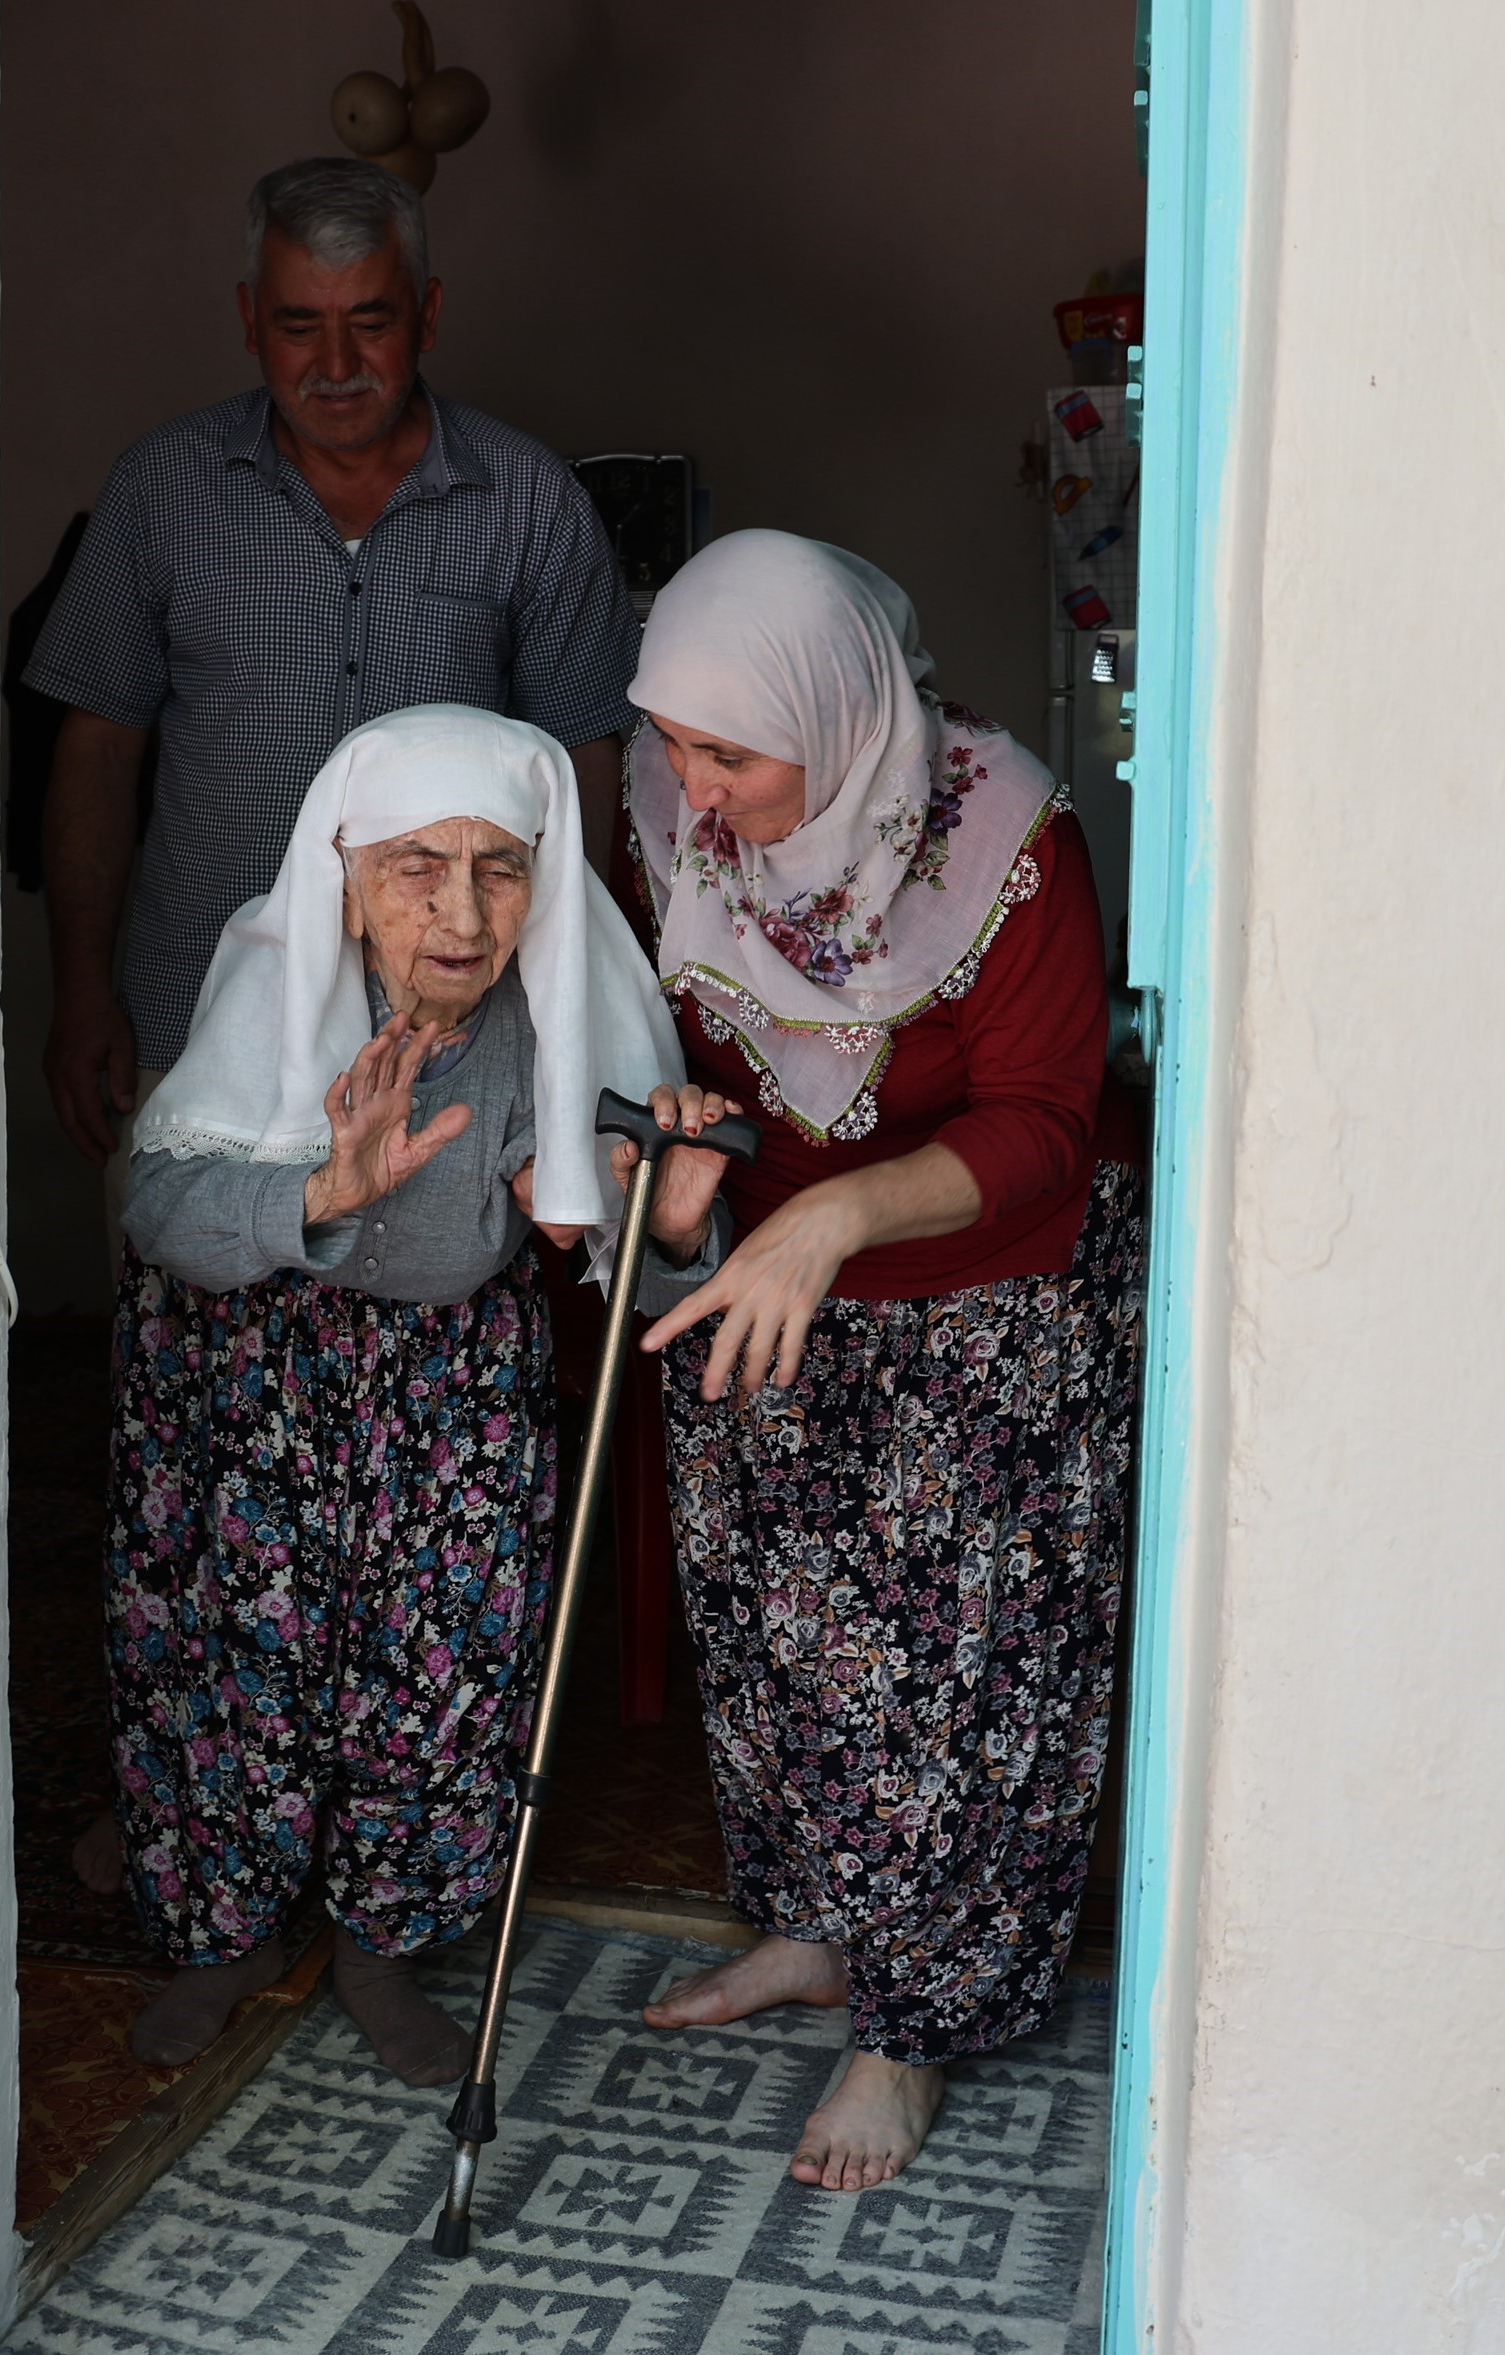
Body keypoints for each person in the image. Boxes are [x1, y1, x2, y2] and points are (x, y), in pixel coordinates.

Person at [23, 155, 638, 1897]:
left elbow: (586, 792)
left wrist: (602, 1048)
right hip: (208, 1034)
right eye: (299, 324)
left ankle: (392, 1867)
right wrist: (79, 984)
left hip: (457, 1073)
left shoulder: (526, 504)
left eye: (372, 321)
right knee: (210, 1490)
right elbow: (97, 750)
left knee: (430, 1495)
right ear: (250, 322)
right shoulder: (163, 495)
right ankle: (200, 1827)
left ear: (428, 315)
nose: (337, 358)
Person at [611, 531, 1146, 2193]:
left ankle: (908, 2034)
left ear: (837, 719)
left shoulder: (999, 833)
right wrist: (674, 1150)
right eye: (676, 743)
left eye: (730, 753)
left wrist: (834, 1214)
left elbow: (1049, 1125)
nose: (693, 790)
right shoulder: (667, 808)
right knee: (774, 1640)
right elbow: (668, 1041)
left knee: (949, 1682)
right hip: (775, 1283)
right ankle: (821, 1933)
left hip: (989, 1307)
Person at [109, 706, 713, 2080]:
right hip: (251, 1373)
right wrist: (320, 1189)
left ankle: (385, 1946)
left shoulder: (558, 1014)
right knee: (232, 1673)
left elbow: (650, 1291)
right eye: (415, 866)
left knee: (441, 1676)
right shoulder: (277, 975)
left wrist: (667, 1231)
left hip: (450, 1383)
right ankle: (227, 1935)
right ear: (347, 874)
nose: (460, 907)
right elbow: (158, 1204)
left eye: (499, 865)